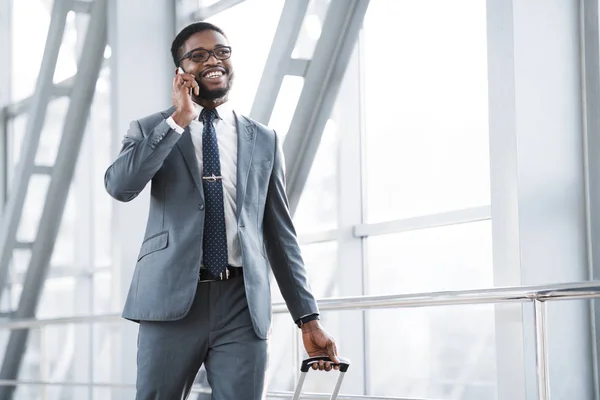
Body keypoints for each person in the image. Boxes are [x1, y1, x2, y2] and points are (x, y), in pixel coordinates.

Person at [104, 21, 340, 399]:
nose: (213, 61)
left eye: (221, 52)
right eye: (198, 56)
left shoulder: (263, 138)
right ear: (181, 71)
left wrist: (307, 319)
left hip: (241, 305)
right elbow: (120, 186)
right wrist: (178, 120)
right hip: (171, 301)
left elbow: (280, 234)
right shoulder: (152, 128)